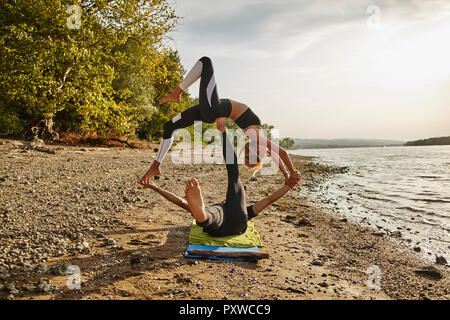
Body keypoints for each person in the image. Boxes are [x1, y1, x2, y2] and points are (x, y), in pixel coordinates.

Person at [139, 56, 300, 188]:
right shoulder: (259, 142)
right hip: (209, 110)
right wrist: (288, 174)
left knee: (205, 62)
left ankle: (176, 93)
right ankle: (156, 165)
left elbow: (282, 153)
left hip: (214, 109)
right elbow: (279, 155)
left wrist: (291, 172)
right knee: (169, 126)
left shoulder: (256, 138)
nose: (264, 153)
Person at [140, 118, 301, 237]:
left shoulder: (219, 208)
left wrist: (155, 187)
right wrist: (288, 184)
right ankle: (222, 131)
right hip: (239, 223)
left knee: (211, 216)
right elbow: (269, 200)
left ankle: (202, 216)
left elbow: (180, 201)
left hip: (217, 224)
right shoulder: (245, 210)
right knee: (234, 178)